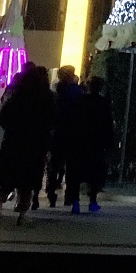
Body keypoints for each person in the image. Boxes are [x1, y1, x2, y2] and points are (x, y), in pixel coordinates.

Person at [0, 63, 54, 224]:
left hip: (13, 144)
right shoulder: (46, 99)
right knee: (28, 183)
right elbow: (51, 123)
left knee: (9, 179)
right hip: (34, 146)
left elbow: (4, 120)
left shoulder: (16, 98)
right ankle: (22, 215)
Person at [68, 74, 114, 213]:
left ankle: (75, 202)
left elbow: (73, 120)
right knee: (94, 173)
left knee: (76, 173)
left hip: (80, 141)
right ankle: (92, 201)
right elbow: (107, 124)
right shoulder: (103, 103)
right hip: (96, 142)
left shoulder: (80, 101)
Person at [46, 65, 82, 207]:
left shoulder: (54, 91)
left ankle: (51, 191)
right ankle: (71, 196)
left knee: (54, 165)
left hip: (57, 132)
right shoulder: (77, 92)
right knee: (72, 166)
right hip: (73, 133)